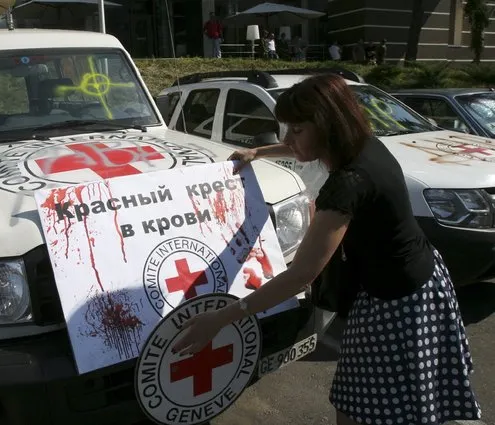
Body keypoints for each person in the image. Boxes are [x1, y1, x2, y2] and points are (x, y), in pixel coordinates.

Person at [172, 74, 482, 425]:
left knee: (361, 407)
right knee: (394, 398)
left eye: (297, 130)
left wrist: (220, 319)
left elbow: (301, 274)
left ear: (327, 126)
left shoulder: (349, 184)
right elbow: (300, 147)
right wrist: (259, 151)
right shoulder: (364, 144)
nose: (288, 138)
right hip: (420, 278)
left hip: (397, 301)